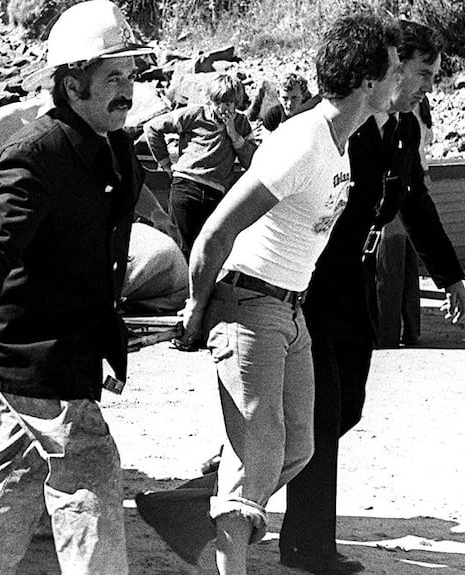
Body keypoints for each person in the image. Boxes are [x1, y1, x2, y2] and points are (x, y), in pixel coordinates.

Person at [178, 14, 402, 575]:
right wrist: (197, 309)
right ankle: (227, 554)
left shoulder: (340, 143)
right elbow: (215, 233)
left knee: (299, 447)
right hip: (249, 303)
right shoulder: (302, 142)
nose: (401, 80)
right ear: (367, 80)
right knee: (259, 454)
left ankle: (193, 512)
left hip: (290, 310)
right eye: (395, 69)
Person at [0, 1, 150, 572]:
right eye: (113, 78)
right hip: (35, 353)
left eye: (130, 76)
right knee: (90, 469)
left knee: (10, 485)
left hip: (67, 349)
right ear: (73, 84)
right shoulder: (35, 155)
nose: (127, 91)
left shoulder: (115, 149)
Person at [0, 94, 179, 515]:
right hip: (1, 269)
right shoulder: (4, 127)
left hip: (48, 280)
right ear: (71, 83)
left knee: (18, 397)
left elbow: (125, 177)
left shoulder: (98, 128)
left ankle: (2, 498)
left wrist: (159, 216)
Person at [279, 21, 465, 575]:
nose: (427, 87)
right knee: (322, 414)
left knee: (346, 408)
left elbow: (414, 202)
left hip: (355, 285)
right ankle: (307, 544)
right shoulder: (338, 125)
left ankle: (255, 460)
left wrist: (448, 274)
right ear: (392, 68)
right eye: (423, 74)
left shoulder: (404, 128)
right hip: (312, 285)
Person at [144, 74, 257, 259]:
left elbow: (252, 161)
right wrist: (165, 164)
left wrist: (233, 135)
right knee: (183, 249)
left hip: (216, 193)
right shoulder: (196, 114)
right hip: (186, 187)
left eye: (227, 103)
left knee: (208, 253)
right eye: (217, 102)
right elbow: (152, 128)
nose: (222, 108)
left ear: (236, 103)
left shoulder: (241, 123)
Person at [374, 96, 435, 347]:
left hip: (399, 183)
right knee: (407, 261)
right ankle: (411, 329)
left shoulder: (399, 105)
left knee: (388, 263)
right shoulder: (420, 104)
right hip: (417, 179)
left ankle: (385, 332)